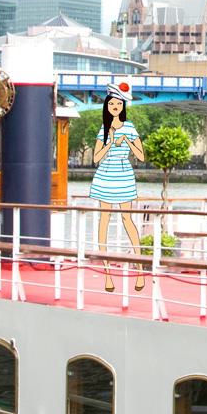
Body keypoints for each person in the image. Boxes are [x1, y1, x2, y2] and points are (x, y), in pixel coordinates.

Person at [89, 82, 145, 293]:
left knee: (127, 219)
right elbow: (95, 158)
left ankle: (139, 271)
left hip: (124, 175)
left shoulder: (130, 127)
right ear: (107, 105)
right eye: (111, 103)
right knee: (104, 220)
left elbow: (141, 156)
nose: (115, 106)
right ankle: (107, 275)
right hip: (105, 175)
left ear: (123, 106)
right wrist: (109, 142)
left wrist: (128, 142)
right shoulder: (103, 129)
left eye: (118, 103)